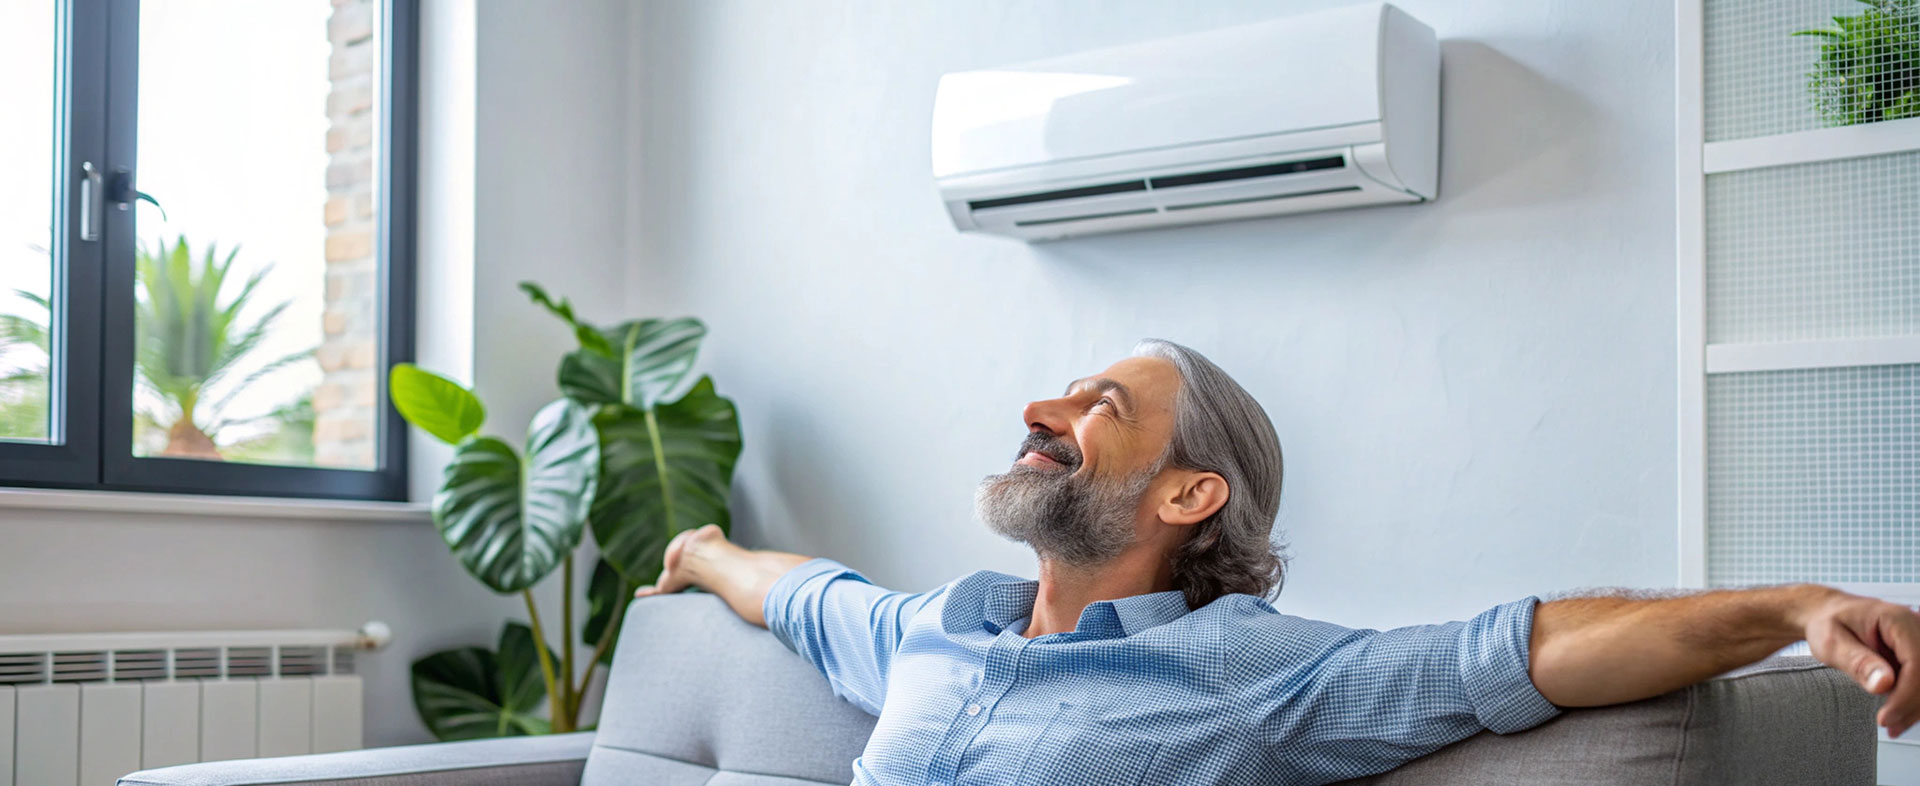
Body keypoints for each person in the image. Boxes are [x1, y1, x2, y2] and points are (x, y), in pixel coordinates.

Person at [633, 338, 1914, 785]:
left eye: (1094, 406)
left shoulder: (1249, 674)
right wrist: (703, 549)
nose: (1041, 410)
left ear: (1189, 493)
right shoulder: (929, 630)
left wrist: (1797, 606)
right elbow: (800, 593)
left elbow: (1521, 651)